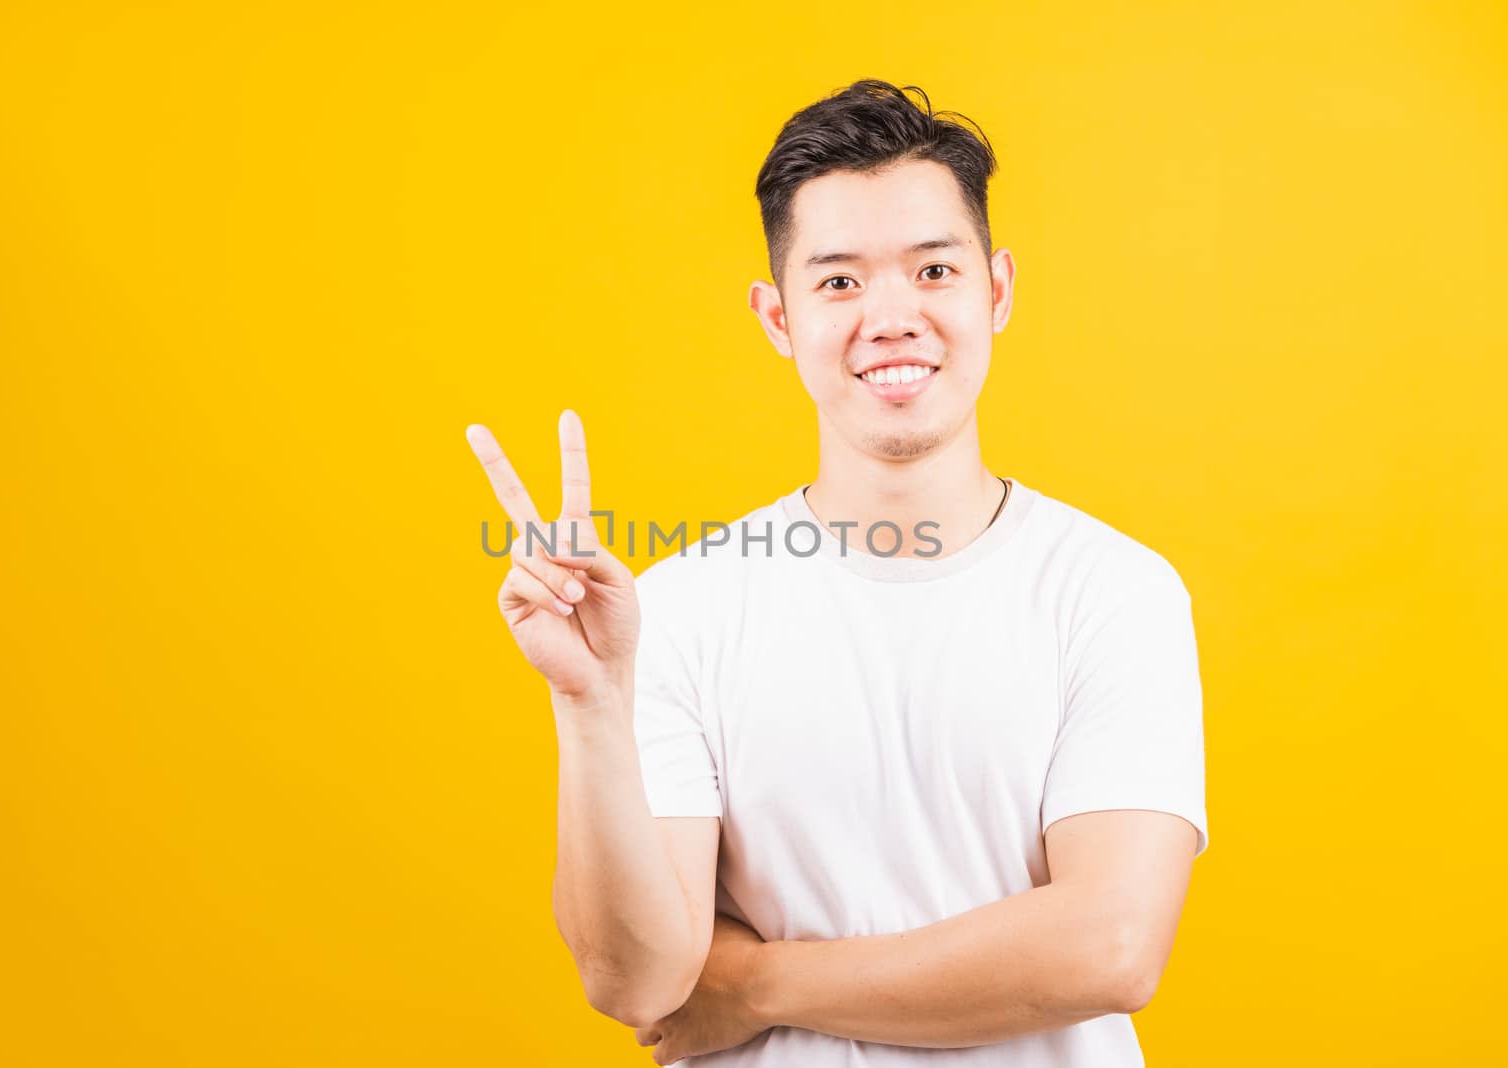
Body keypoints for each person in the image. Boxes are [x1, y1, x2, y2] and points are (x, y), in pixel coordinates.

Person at [464, 78, 1208, 1067]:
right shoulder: (677, 609)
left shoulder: (1113, 592)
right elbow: (638, 983)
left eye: (933, 270)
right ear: (778, 318)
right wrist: (592, 703)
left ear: (997, 289)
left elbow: (1108, 949)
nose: (892, 316)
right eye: (840, 282)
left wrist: (756, 983)